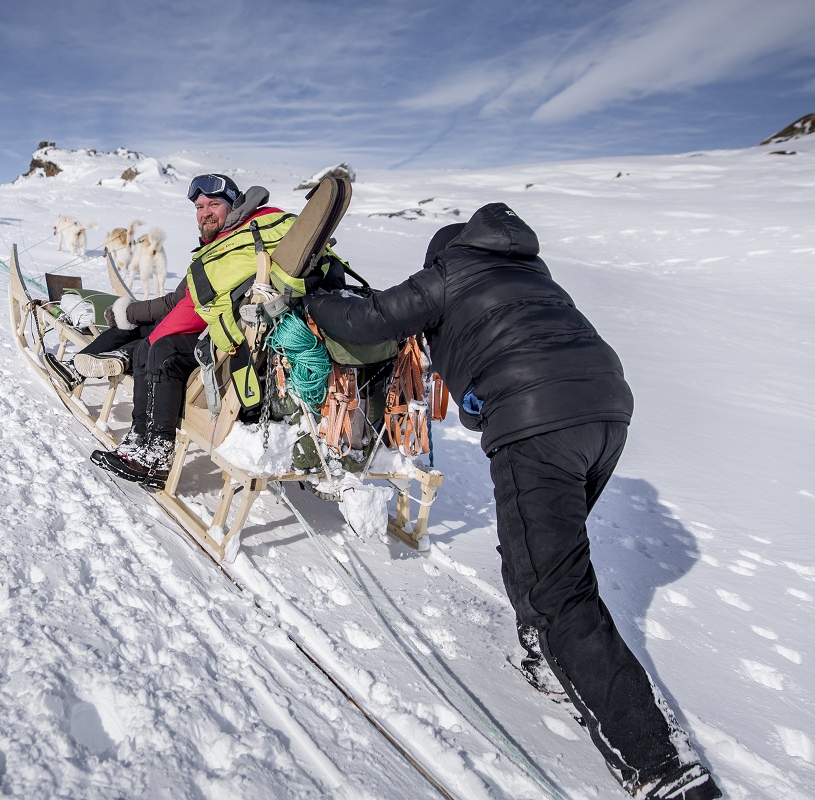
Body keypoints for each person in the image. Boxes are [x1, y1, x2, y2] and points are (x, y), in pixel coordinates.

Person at [297, 203, 721, 800]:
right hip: (607, 412)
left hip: (538, 420)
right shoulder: (532, 272)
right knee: (539, 554)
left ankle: (663, 767)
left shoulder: (452, 270)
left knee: (558, 594)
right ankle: (546, 654)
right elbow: (519, 344)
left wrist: (313, 296)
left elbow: (369, 320)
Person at [89, 174, 294, 488]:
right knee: (150, 346)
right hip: (229, 330)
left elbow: (201, 303)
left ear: (234, 204)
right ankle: (139, 440)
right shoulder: (222, 246)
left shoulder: (246, 237)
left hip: (240, 341)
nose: (205, 213)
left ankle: (156, 454)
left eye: (214, 204)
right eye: (199, 207)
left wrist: (150, 327)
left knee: (161, 350)